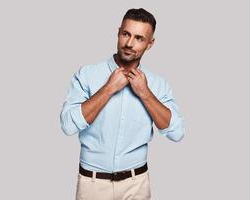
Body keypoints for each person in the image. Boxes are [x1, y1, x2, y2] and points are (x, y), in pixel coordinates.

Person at [60, 8, 185, 200]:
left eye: (139, 38)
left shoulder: (158, 84)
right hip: (92, 185)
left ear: (150, 44)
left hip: (136, 186)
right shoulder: (87, 74)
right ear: (118, 32)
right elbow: (68, 126)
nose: (129, 43)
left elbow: (177, 133)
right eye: (126, 34)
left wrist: (145, 93)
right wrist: (109, 88)